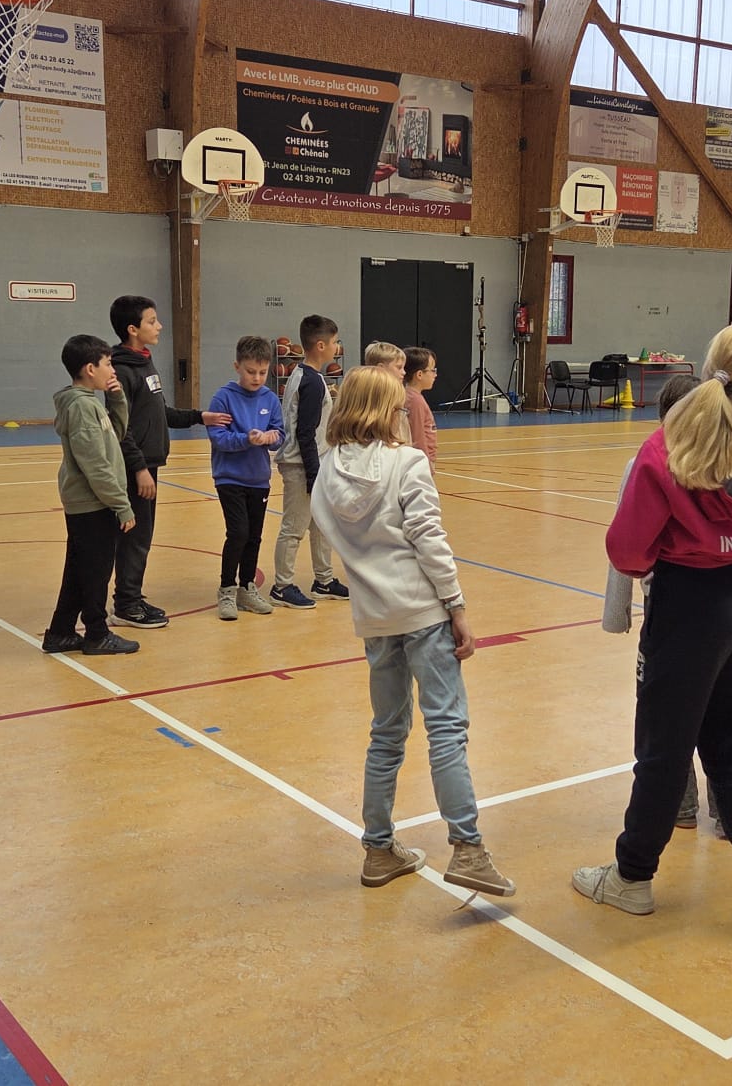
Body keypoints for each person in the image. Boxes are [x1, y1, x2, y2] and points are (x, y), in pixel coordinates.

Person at [575, 320, 732, 924]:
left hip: (687, 608)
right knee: (729, 743)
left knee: (664, 752)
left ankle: (631, 878)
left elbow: (627, 550)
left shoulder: (665, 449)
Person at [311, 366, 514, 897]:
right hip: (422, 611)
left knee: (386, 731)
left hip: (375, 618)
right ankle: (467, 849)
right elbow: (429, 538)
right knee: (446, 728)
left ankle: (378, 849)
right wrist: (457, 605)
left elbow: (334, 535)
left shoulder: (327, 469)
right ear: (384, 410)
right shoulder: (408, 463)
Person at [603, 374, 715, 829]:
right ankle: (704, 806)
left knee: (665, 710)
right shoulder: (726, 459)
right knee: (715, 708)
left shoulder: (655, 462)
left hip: (672, 603)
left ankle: (683, 806)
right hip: (715, 602)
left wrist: (618, 613)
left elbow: (623, 545)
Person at [106, 295, 231, 630]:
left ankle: (131, 597)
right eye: (152, 321)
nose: (159, 326)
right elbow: (121, 428)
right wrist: (139, 468)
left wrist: (199, 416)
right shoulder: (121, 371)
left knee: (142, 536)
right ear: (132, 329)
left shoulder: (144, 363)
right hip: (135, 468)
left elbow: (160, 412)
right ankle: (126, 605)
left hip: (149, 465)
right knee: (135, 537)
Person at [40, 335, 140, 657]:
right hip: (91, 504)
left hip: (94, 501)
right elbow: (96, 465)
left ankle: (60, 632)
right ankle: (97, 634)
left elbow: (115, 435)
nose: (112, 369)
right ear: (89, 369)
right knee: (96, 572)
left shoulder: (90, 403)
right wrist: (122, 505)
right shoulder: (82, 407)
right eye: (108, 364)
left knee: (79, 570)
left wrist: (118, 399)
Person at [269, 316, 347, 610]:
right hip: (301, 466)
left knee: (322, 525)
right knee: (294, 527)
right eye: (335, 342)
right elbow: (305, 433)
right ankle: (281, 586)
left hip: (314, 463)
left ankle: (323, 580)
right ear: (321, 345)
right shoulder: (311, 382)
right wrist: (314, 475)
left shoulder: (305, 375)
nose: (337, 347)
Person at [207, 336, 285, 622]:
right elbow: (218, 437)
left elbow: (280, 434)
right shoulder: (223, 398)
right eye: (251, 371)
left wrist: (272, 438)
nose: (257, 378)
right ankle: (227, 589)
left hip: (258, 479)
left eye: (262, 372)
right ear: (237, 366)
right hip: (229, 478)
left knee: (254, 536)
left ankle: (247, 588)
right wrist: (246, 439)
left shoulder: (270, 399)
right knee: (238, 532)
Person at [403, 346, 438, 469]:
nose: (435, 375)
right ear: (419, 374)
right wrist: (424, 465)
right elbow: (417, 437)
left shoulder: (413, 396)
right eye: (432, 370)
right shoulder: (415, 401)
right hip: (421, 463)